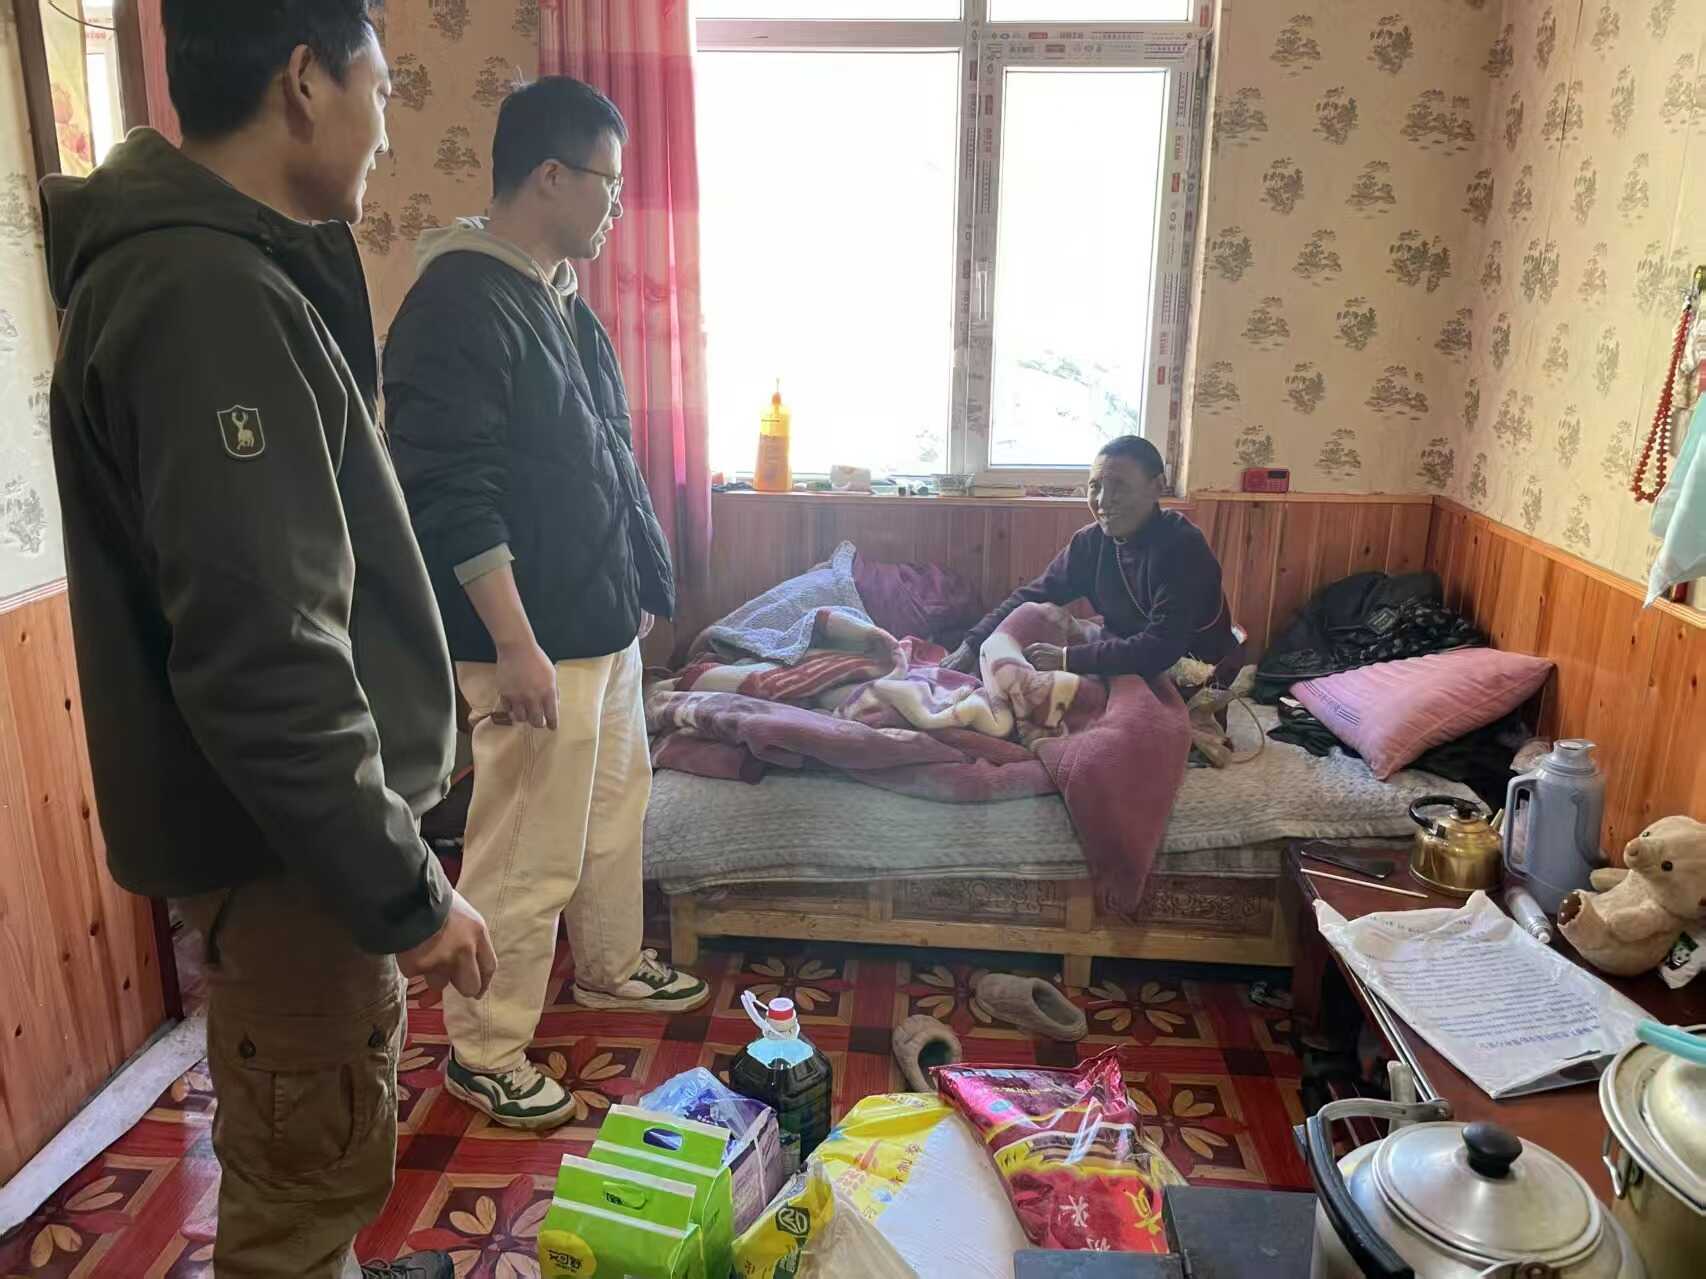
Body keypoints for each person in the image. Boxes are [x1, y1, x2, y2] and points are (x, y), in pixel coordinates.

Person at [42, 3, 495, 1276]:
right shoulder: (205, 295)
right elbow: (268, 656)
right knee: (300, 1191)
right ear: (303, 81)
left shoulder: (219, 271)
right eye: (381, 89)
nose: (387, 129)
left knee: (319, 1152)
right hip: (290, 856)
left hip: (297, 845)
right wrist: (406, 889)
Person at [384, 76, 708, 1132]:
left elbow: (603, 454)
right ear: (551, 177)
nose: (617, 205)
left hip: (595, 623)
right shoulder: (458, 302)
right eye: (608, 182)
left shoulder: (555, 293)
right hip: (533, 641)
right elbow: (450, 492)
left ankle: (609, 962)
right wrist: (514, 642)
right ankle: (483, 1050)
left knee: (612, 813)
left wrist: (638, 584)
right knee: (526, 847)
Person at [944, 436, 1238, 678]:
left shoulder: (1183, 546)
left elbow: (1162, 647)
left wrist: (1067, 659)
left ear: (1156, 487)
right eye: (1095, 486)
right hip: (1123, 647)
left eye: (1119, 486)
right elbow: (1032, 595)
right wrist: (973, 643)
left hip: (1192, 667)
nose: (1103, 501)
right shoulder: (1090, 543)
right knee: (1030, 615)